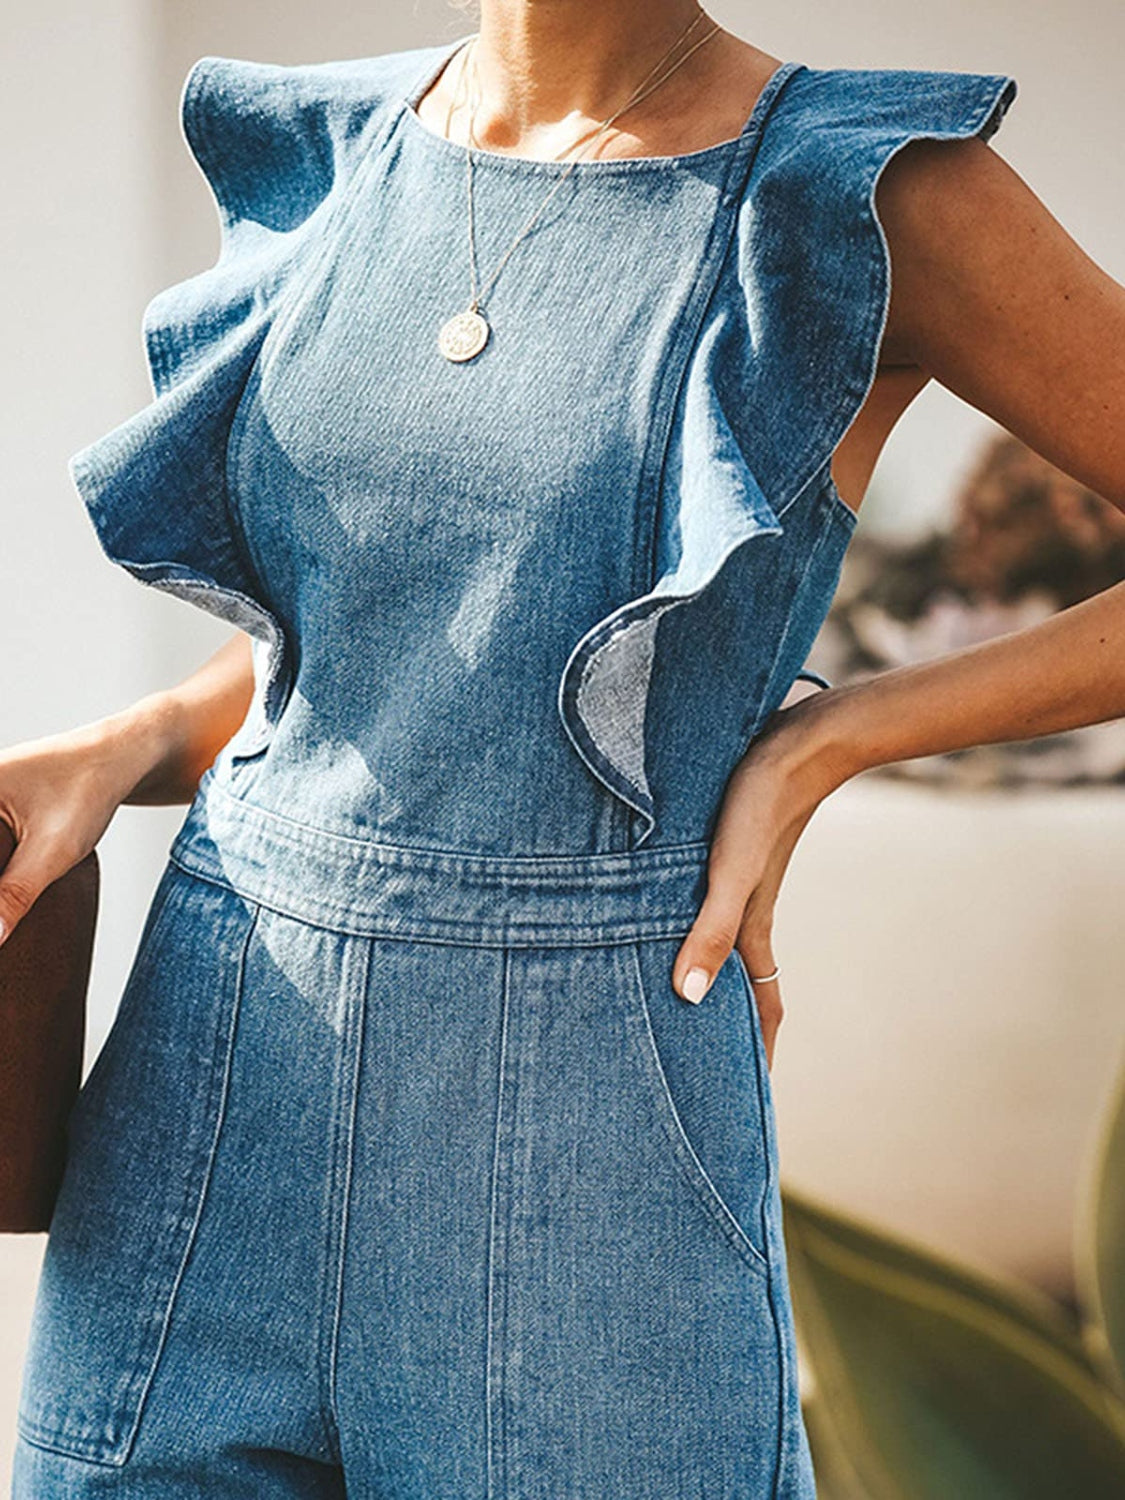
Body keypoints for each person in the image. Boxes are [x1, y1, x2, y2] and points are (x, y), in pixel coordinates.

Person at [5, 2, 1123, 1495]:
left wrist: (827, 737)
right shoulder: (345, 150)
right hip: (209, 1090)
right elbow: (386, 625)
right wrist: (129, 740)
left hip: (584, 1140)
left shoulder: (861, 190)